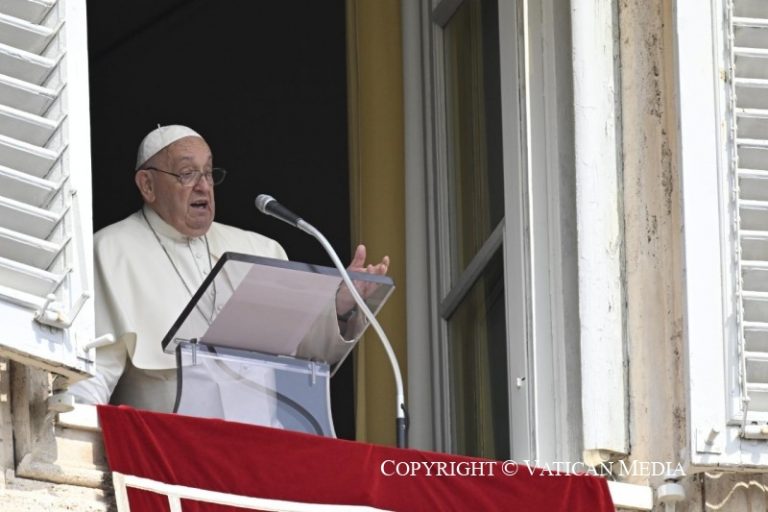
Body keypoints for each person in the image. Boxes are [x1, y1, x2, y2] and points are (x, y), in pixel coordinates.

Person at [69, 125, 389, 413]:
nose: (203, 186)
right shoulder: (111, 250)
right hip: (166, 454)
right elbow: (96, 370)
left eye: (208, 173)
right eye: (186, 174)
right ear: (147, 185)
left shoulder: (261, 250)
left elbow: (301, 356)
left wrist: (339, 306)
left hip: (260, 443)